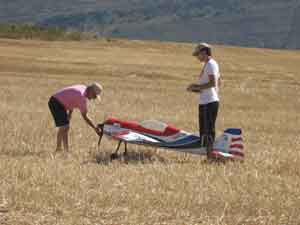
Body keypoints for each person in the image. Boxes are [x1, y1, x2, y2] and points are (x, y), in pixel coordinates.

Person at [187, 43, 221, 158]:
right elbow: (217, 84)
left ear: (204, 52)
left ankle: (211, 156)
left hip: (209, 102)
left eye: (198, 54)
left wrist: (197, 87)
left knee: (208, 131)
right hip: (206, 101)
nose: (197, 57)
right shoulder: (208, 65)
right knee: (204, 131)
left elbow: (213, 83)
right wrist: (196, 89)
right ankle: (209, 155)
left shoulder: (211, 64)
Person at [48, 82, 103, 152]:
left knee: (66, 127)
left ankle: (66, 150)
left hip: (58, 102)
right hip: (56, 103)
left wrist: (70, 113)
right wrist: (95, 128)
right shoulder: (82, 97)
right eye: (94, 96)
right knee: (64, 127)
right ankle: (58, 149)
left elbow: (71, 99)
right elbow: (85, 116)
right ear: (91, 91)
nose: (94, 98)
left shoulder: (83, 88)